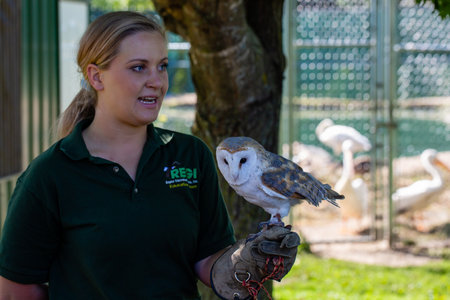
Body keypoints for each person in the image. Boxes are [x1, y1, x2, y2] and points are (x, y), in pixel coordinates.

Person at [0, 11, 298, 300]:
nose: (157, 81)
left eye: (162, 65)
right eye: (139, 67)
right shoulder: (50, 174)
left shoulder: (191, 156)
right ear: (96, 76)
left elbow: (208, 259)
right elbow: (16, 291)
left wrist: (246, 262)